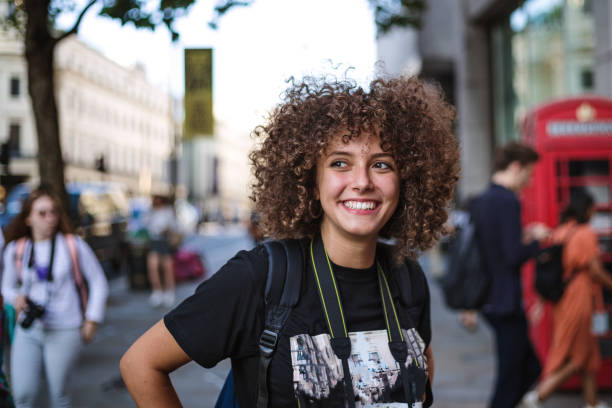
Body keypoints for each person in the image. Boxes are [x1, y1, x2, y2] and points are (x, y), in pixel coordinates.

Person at [120, 75, 460, 407]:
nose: (362, 181)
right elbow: (141, 365)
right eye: (340, 162)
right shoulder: (259, 277)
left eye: (382, 165)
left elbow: (421, 371)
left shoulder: (408, 277)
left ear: (405, 183)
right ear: (312, 182)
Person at [1, 185, 109, 408]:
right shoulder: (17, 249)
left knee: (59, 395)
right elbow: (6, 286)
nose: (50, 218)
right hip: (29, 329)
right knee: (22, 394)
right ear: (28, 218)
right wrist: (16, 299)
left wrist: (92, 319)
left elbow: (98, 282)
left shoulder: (72, 245)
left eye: (53, 212)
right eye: (42, 213)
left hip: (65, 328)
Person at [469, 142, 551, 408]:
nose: (528, 182)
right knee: (513, 375)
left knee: (527, 368)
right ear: (515, 168)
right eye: (528, 174)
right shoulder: (507, 200)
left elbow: (494, 246)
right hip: (505, 300)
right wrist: (537, 240)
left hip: (489, 296)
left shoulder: (483, 199)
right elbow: (513, 255)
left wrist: (523, 237)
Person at [521, 193, 612, 408]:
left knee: (588, 353)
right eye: (592, 209)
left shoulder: (561, 231)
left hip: (562, 297)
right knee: (579, 356)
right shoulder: (586, 233)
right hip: (579, 296)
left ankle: (591, 403)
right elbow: (595, 270)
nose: (594, 213)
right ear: (586, 210)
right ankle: (538, 396)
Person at [145, 195, 179, 308]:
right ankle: (157, 290)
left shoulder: (168, 211)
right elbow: (146, 225)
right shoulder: (151, 212)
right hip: (154, 241)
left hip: (165, 241)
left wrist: (167, 230)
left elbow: (174, 227)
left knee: (167, 267)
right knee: (153, 266)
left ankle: (169, 291)